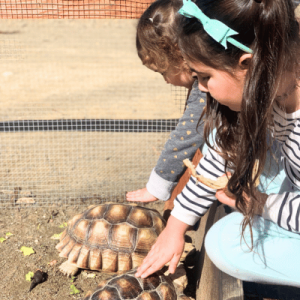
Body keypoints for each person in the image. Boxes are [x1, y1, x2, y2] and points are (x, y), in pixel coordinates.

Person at [135, 0, 300, 288]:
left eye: (205, 77)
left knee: (225, 245)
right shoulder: (273, 87)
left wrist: (260, 205)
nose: (199, 88)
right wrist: (176, 226)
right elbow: (217, 154)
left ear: (248, 64)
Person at [126, 0, 206, 204]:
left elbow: (185, 138)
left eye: (163, 71)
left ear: (180, 57)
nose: (166, 80)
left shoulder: (206, 90)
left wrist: (157, 186)